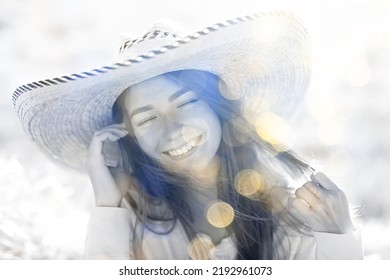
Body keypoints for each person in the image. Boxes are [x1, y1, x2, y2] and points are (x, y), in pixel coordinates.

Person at [12, 12, 363, 260]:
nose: (173, 129)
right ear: (128, 137)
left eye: (186, 103)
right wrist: (107, 203)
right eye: (146, 118)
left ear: (218, 108)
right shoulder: (136, 225)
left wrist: (340, 236)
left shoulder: (292, 210)